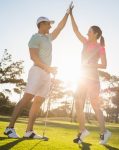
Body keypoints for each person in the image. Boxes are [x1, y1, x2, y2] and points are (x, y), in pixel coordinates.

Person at [4, 6, 71, 139]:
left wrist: (67, 13)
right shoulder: (35, 38)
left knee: (38, 101)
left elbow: (60, 27)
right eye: (48, 24)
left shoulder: (48, 38)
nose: (51, 26)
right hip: (37, 71)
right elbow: (33, 57)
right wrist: (48, 68)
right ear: (42, 24)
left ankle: (29, 131)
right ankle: (9, 128)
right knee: (27, 98)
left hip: (46, 74)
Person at [69, 6, 112, 145]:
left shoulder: (101, 47)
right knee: (78, 103)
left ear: (95, 34)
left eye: (89, 31)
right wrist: (71, 15)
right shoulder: (86, 42)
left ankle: (104, 132)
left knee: (95, 105)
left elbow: (104, 64)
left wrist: (90, 65)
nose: (87, 32)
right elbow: (75, 31)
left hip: (93, 79)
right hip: (82, 78)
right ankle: (83, 131)